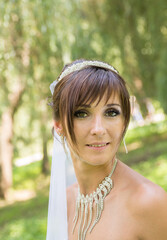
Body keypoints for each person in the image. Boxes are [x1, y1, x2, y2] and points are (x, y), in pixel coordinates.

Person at [46, 59, 167, 240]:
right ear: (59, 125)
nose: (99, 129)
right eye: (81, 113)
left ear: (124, 120)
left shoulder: (149, 202)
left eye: (111, 112)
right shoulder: (64, 202)